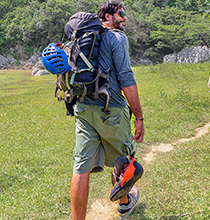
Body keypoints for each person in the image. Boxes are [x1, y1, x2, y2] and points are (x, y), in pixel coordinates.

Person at [70, 1, 145, 219]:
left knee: (81, 167)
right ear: (107, 16)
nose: (125, 18)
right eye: (121, 14)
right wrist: (138, 117)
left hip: (83, 108)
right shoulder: (117, 37)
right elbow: (125, 77)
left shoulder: (82, 38)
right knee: (124, 160)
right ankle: (124, 204)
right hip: (110, 109)